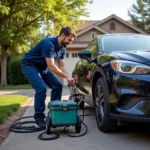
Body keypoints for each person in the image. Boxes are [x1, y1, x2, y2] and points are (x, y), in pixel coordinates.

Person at [21, 26, 76, 128]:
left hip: (43, 68)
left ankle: (54, 115)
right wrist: (66, 77)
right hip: (30, 65)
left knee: (58, 86)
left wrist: (68, 76)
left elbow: (61, 65)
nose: (70, 42)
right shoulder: (48, 44)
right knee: (41, 88)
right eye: (69, 40)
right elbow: (51, 65)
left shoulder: (63, 48)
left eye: (71, 41)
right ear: (63, 35)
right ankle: (39, 119)